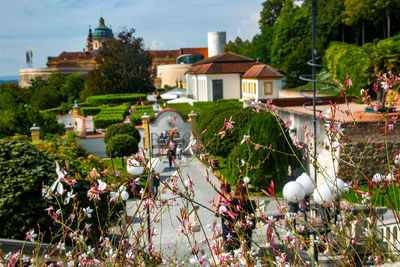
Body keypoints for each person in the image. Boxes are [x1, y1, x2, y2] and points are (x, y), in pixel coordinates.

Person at [214, 183, 239, 252]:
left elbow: (216, 214)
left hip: (226, 230)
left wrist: (218, 202)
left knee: (228, 251)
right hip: (236, 229)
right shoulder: (236, 200)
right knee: (237, 250)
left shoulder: (223, 203)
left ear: (222, 191)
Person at [233, 181, 257, 251]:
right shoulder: (249, 202)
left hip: (236, 226)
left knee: (236, 248)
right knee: (247, 247)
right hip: (247, 226)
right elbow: (252, 214)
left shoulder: (233, 201)